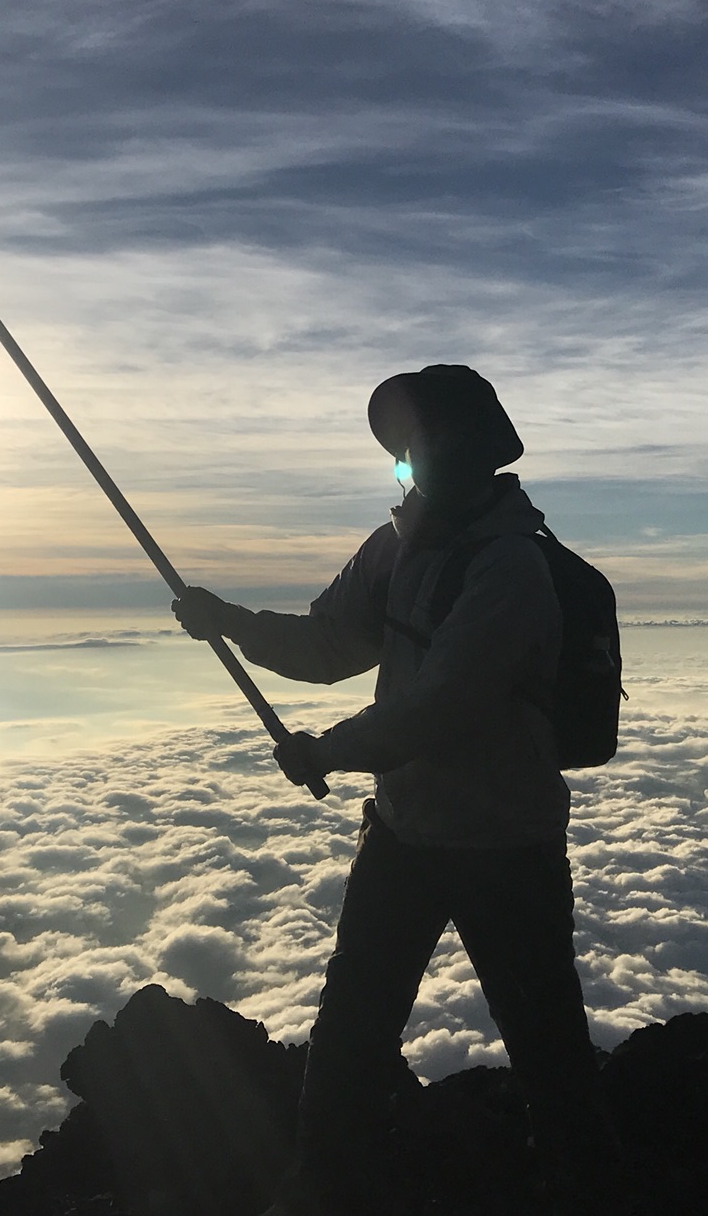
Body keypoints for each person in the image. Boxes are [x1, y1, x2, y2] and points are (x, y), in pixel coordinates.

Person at [173, 364, 619, 1216]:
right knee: (350, 1035)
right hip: (407, 834)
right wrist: (227, 619)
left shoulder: (510, 571)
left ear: (472, 452)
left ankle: (584, 1189)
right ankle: (322, 1188)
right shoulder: (398, 547)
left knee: (546, 1046)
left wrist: (328, 753)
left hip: (504, 846)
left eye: (422, 445)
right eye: (406, 451)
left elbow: (441, 708)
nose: (412, 464)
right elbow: (327, 646)